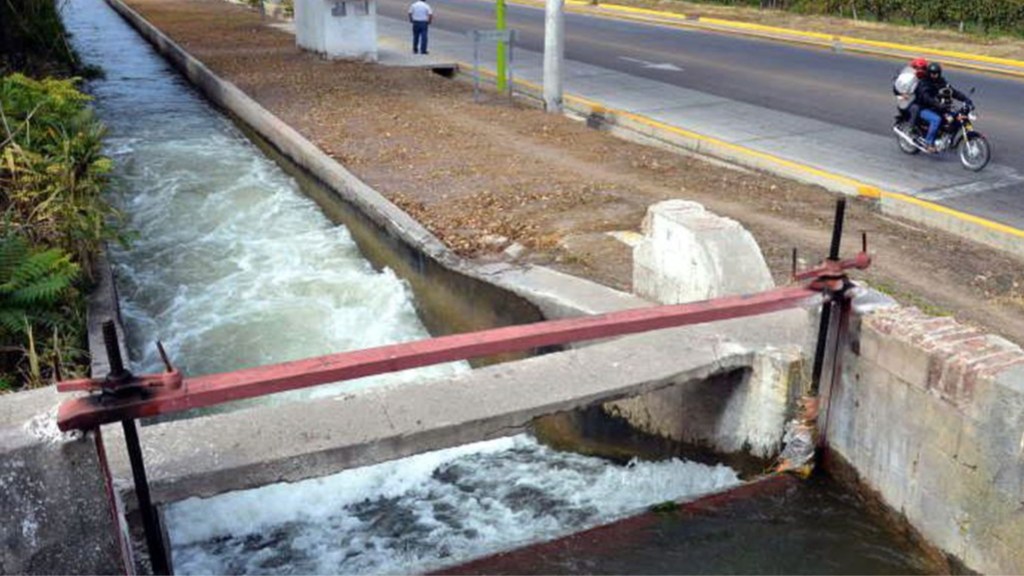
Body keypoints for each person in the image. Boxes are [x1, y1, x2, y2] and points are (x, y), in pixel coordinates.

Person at [914, 62, 971, 153]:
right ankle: (928, 143)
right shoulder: (924, 83)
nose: (934, 75)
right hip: (923, 108)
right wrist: (938, 104)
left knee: (956, 116)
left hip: (937, 107)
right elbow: (926, 98)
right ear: (929, 73)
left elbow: (953, 92)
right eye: (932, 73)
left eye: (936, 73)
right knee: (936, 119)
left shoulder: (941, 81)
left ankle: (946, 137)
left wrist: (966, 99)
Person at [893, 57, 927, 130]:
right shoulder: (907, 78)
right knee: (916, 109)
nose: (920, 70)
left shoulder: (925, 77)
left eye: (923, 68)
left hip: (917, 98)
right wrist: (903, 94)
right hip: (908, 101)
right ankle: (911, 128)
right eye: (918, 68)